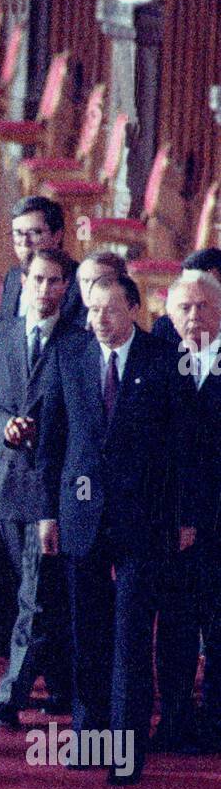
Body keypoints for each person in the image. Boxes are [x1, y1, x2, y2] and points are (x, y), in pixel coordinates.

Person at [36, 276, 197, 785]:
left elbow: (184, 449)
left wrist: (185, 518)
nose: (97, 321)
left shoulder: (165, 360)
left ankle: (127, 751)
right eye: (91, 311)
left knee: (131, 640)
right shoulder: (69, 355)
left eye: (108, 310)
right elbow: (51, 441)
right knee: (88, 633)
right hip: (81, 519)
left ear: (134, 308)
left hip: (144, 524)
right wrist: (47, 513)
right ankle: (89, 737)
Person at [0, 248, 74, 730]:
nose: (45, 289)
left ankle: (9, 696)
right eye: (38, 280)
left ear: (66, 288)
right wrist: (2, 425)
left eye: (55, 281)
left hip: (51, 492)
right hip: (3, 487)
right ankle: (60, 684)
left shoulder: (76, 345)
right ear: (24, 282)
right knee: (30, 591)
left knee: (34, 595)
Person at [154, 270, 221, 752]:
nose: (193, 315)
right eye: (184, 307)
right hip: (173, 523)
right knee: (175, 625)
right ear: (169, 314)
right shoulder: (157, 360)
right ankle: (174, 720)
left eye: (203, 305)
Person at [0, 196, 82, 325]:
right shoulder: (13, 276)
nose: (25, 242)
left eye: (35, 232)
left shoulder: (80, 284)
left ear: (57, 236)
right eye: (18, 233)